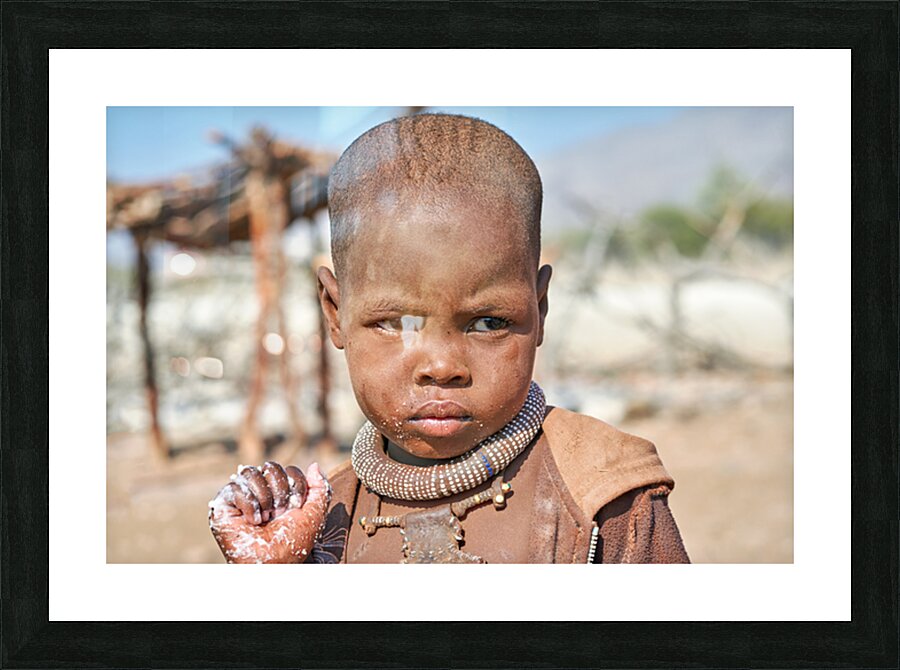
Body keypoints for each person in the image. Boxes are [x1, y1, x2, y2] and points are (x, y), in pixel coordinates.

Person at [208, 113, 690, 564]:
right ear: (335, 313)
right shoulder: (322, 521)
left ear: (539, 309)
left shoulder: (605, 495)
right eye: (396, 322)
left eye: (488, 323)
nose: (441, 366)